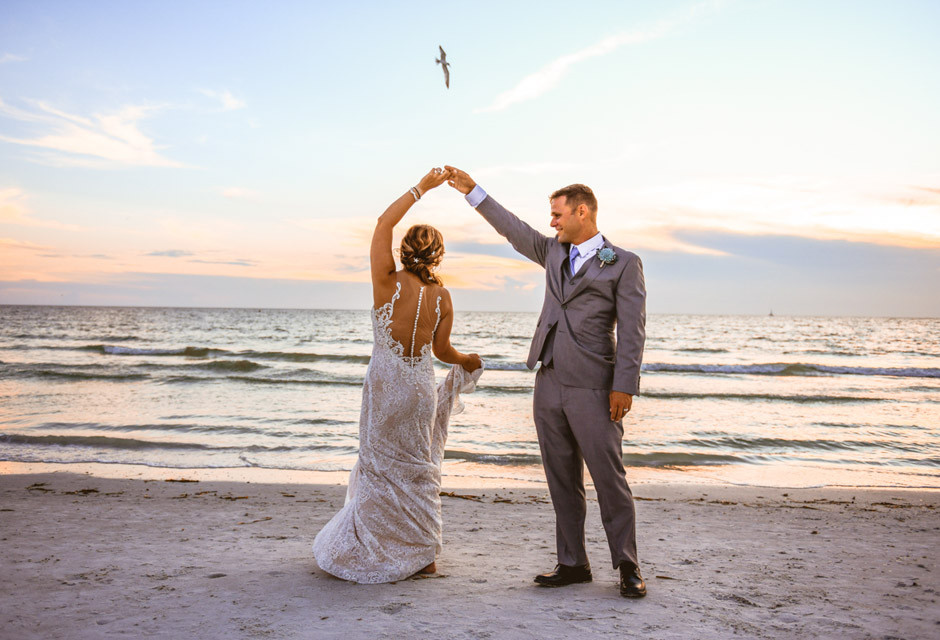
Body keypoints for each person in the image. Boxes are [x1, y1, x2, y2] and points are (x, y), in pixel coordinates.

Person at [444, 166, 647, 598]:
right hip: (548, 380)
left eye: (557, 215)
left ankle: (627, 564)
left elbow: (632, 330)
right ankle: (573, 563)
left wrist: (624, 385)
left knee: (609, 478)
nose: (551, 222)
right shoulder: (553, 252)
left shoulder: (624, 263)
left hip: (595, 385)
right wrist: (472, 191)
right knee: (560, 478)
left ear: (582, 212)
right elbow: (512, 229)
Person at [312, 168, 483, 584]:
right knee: (418, 468)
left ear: (405, 250)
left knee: (379, 468)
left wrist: (422, 186)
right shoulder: (442, 296)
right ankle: (423, 555)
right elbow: (443, 352)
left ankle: (378, 545)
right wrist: (469, 359)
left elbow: (383, 223)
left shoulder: (385, 282)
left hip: (387, 386)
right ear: (439, 256)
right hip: (420, 388)